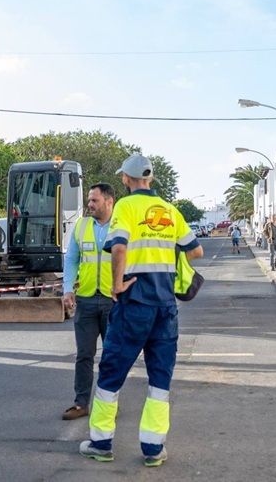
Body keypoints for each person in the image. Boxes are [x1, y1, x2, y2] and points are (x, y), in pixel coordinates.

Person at [79, 154, 203, 467]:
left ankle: (101, 442)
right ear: (150, 179)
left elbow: (118, 246)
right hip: (166, 307)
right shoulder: (170, 210)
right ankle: (153, 449)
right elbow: (196, 250)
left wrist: (117, 284)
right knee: (160, 378)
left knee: (112, 370)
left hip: (135, 302)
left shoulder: (125, 206)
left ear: (125, 178)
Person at [61, 182, 116, 421]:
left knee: (112, 356)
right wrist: (67, 289)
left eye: (94, 200)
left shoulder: (122, 226)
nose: (90, 204)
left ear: (109, 201)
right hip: (85, 299)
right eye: (89, 200)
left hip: (113, 301)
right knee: (84, 354)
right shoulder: (81, 226)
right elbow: (72, 259)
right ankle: (81, 403)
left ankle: (108, 404)